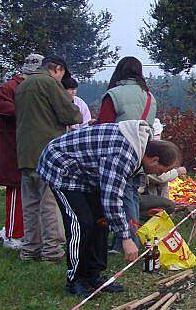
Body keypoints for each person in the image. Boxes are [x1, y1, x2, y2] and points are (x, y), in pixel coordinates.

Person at [37, 120, 181, 296]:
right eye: (162, 169)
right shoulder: (124, 155)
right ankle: (75, 280)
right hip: (61, 168)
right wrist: (125, 238)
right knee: (81, 224)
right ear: (154, 159)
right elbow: (111, 198)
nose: (161, 174)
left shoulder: (140, 148)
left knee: (100, 222)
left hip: (86, 173)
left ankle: (93, 275)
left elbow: (113, 194)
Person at [15, 54, 81, 262]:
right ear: (58, 69)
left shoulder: (23, 85)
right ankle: (52, 252)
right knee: (49, 204)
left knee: (30, 205)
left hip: (25, 153)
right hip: (47, 154)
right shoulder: (49, 83)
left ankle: (30, 249)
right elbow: (71, 115)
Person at [97, 56, 157, 252]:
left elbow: (104, 126)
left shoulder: (114, 94)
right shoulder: (149, 97)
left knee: (116, 197)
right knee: (130, 197)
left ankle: (124, 242)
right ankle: (128, 240)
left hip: (117, 152)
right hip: (141, 152)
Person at [0, 53, 43, 249]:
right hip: (13, 146)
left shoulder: (31, 86)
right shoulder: (13, 86)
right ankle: (12, 234)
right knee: (16, 189)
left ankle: (25, 231)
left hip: (27, 146)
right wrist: (22, 111)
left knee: (31, 193)